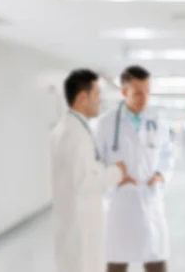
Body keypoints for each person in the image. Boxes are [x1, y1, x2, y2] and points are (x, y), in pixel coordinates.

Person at [51, 69, 136, 272]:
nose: (100, 100)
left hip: (74, 225)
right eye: (97, 94)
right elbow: (85, 182)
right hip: (81, 230)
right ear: (82, 97)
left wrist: (111, 175)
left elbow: (84, 171)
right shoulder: (74, 135)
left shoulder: (71, 128)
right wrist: (117, 171)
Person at [95, 66, 173, 272]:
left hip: (150, 199)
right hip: (120, 202)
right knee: (117, 263)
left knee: (156, 261)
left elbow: (167, 155)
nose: (144, 98)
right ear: (124, 92)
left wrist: (160, 174)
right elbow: (94, 164)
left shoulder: (158, 123)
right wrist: (113, 177)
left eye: (147, 92)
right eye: (138, 92)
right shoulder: (106, 124)